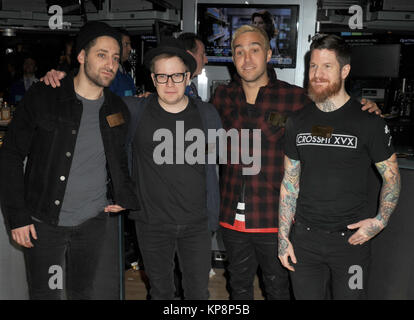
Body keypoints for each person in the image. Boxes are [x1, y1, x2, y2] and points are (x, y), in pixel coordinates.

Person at [211, 25, 381, 300]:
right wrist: (148, 101)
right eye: (239, 51)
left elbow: (328, 125)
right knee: (238, 288)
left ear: (268, 54)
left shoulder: (296, 99)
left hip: (275, 221)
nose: (247, 58)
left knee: (279, 290)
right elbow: (192, 120)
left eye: (254, 49)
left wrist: (362, 108)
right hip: (232, 219)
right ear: (232, 57)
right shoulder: (221, 98)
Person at [0, 21, 139, 299]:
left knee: (82, 292)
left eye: (115, 57)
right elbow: (11, 155)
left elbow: (117, 157)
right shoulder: (45, 94)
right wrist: (17, 218)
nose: (110, 64)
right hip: (44, 223)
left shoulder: (117, 107)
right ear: (81, 56)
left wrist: (120, 194)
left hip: (92, 222)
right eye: (102, 55)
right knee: (46, 294)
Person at [278, 34, 401, 300]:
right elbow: (290, 182)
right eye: (313, 66)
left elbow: (392, 178)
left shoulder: (369, 122)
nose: (317, 74)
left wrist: (380, 222)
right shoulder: (296, 121)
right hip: (305, 242)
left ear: (345, 70)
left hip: (351, 244)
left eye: (327, 66)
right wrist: (283, 236)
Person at [122, 37, 221, 300]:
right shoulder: (134, 110)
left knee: (198, 293)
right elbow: (92, 100)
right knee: (161, 292)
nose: (169, 83)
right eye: (162, 77)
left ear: (188, 77)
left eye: (176, 76)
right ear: (153, 79)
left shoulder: (208, 114)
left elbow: (212, 167)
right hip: (151, 223)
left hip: (197, 224)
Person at [178, 32, 209, 99]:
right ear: (189, 56)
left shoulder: (191, 87)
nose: (206, 60)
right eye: (202, 55)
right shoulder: (177, 91)